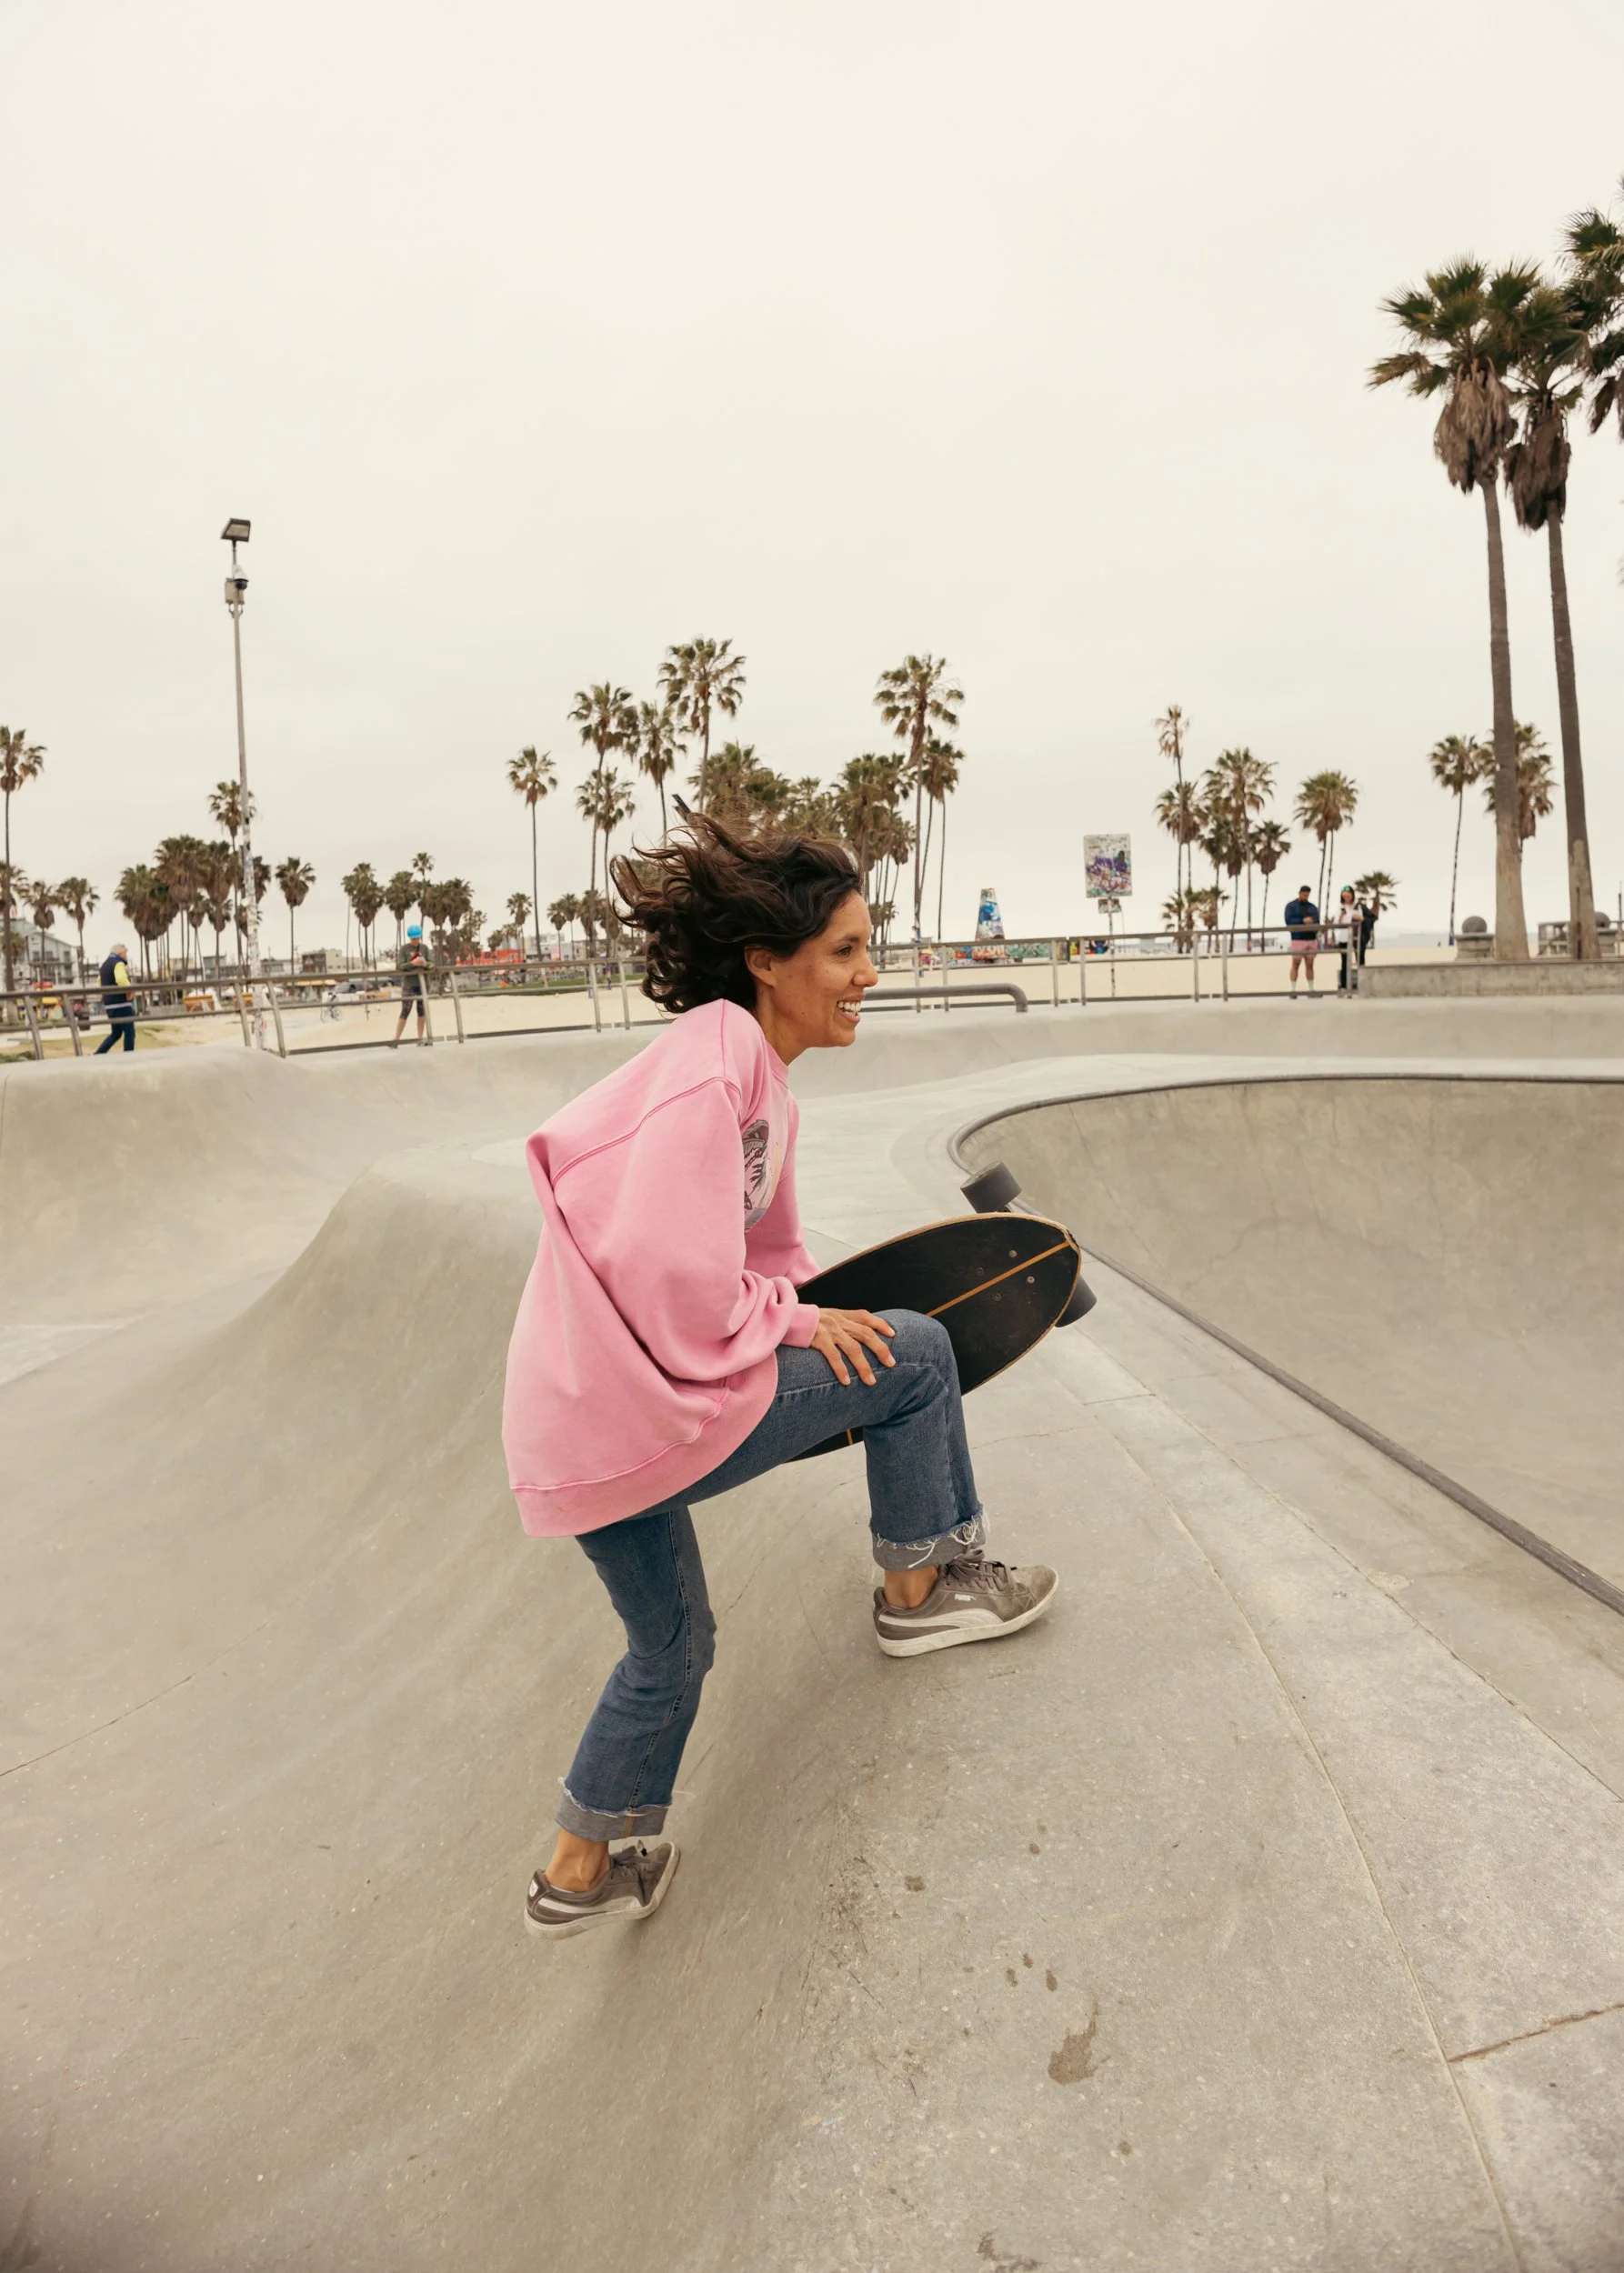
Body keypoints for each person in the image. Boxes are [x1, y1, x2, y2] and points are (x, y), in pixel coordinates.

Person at [503, 818, 1058, 1940]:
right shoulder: (716, 1059)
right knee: (917, 1356)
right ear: (768, 960)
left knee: (671, 1648)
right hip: (645, 1401)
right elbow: (677, 1274)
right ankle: (921, 1591)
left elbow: (774, 1262)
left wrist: (809, 1311)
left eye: (869, 949)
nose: (868, 975)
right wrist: (807, 1326)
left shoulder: (752, 1077)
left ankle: (576, 1869)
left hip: (579, 1429)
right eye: (846, 952)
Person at [95, 941, 136, 1053]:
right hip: (121, 1003)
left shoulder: (104, 965)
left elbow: (99, 983)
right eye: (125, 953)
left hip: (110, 1005)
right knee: (129, 1031)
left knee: (116, 1033)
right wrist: (129, 990)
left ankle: (99, 1053)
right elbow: (121, 979)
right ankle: (129, 1054)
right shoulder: (118, 963)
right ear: (119, 953)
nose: (126, 956)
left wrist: (105, 994)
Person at [392, 926, 428, 1046]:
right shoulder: (404, 949)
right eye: (413, 939)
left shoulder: (425, 948)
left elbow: (432, 964)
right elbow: (400, 966)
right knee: (405, 1011)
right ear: (410, 938)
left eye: (417, 938)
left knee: (422, 1011)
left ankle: (420, 1038)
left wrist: (425, 963)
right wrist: (412, 963)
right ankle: (396, 1039)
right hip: (409, 984)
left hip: (422, 984)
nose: (415, 941)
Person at [1282, 884, 1320, 996]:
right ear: (1299, 893)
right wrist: (1302, 921)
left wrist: (1312, 924)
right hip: (1298, 938)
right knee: (1295, 964)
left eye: (1307, 895)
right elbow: (1288, 920)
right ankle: (1293, 990)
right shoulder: (1291, 906)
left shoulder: (1312, 907)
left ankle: (1311, 989)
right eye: (1304, 895)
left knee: (1310, 965)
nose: (1305, 897)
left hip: (1311, 938)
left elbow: (1317, 920)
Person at [1333, 886, 1367, 994]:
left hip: (1357, 936)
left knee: (1360, 959)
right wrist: (1342, 915)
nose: (1347, 897)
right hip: (1344, 937)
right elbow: (1337, 923)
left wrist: (1359, 917)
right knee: (1344, 962)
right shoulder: (1340, 908)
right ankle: (1344, 986)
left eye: (1348, 895)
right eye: (1344, 896)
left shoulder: (1358, 906)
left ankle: (1362, 984)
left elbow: (1363, 918)